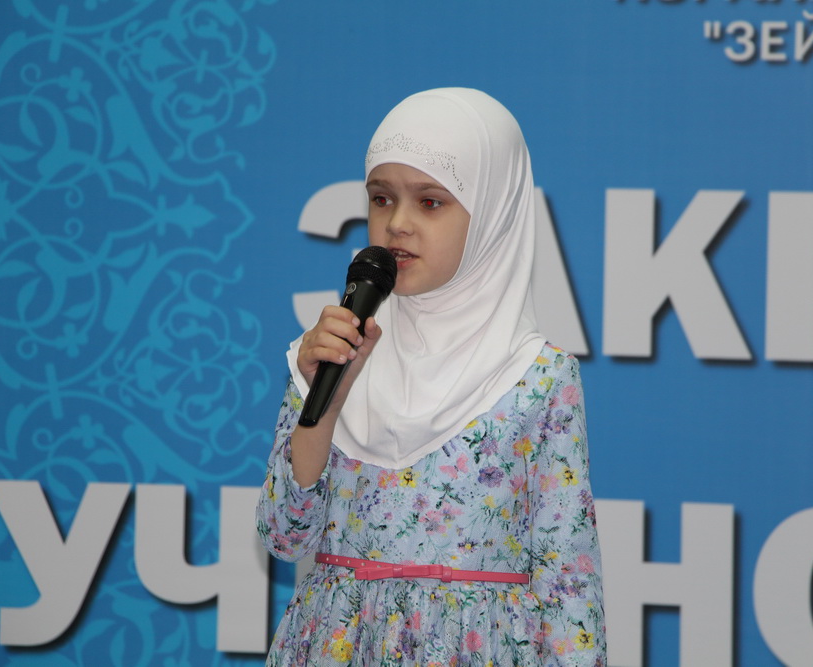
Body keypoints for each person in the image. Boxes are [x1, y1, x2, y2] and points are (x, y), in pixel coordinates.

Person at [256, 88, 605, 666]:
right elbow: (284, 537)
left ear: (491, 213)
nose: (398, 224)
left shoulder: (538, 377)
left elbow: (569, 580)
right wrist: (327, 400)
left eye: (431, 202)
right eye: (381, 198)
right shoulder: (334, 347)